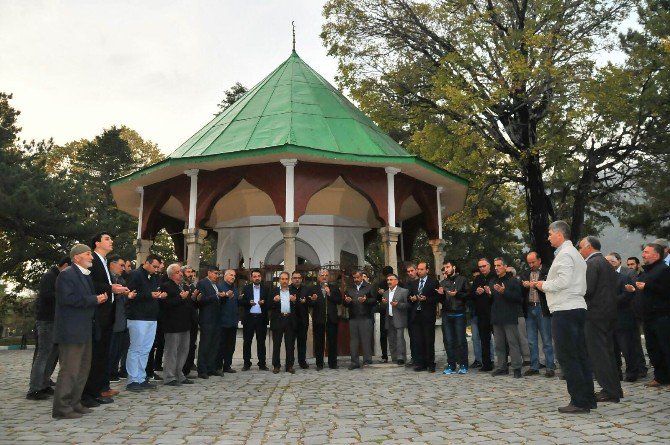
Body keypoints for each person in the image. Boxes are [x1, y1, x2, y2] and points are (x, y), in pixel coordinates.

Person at [535, 221, 595, 414]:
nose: (548, 237)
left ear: (560, 234)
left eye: (550, 233)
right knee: (579, 355)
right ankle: (587, 399)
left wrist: (543, 285)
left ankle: (579, 400)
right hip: (574, 308)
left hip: (566, 309)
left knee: (568, 356)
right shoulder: (572, 254)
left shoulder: (566, 254)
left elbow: (563, 281)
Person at [52, 244, 107, 419]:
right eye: (88, 254)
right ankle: (62, 407)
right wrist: (94, 299)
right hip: (71, 331)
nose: (91, 257)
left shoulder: (85, 276)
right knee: (70, 370)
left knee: (83, 369)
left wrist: (96, 300)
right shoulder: (66, 275)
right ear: (76, 257)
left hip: (84, 330)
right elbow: (67, 299)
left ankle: (75, 403)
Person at [82, 232, 130, 407]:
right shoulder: (93, 260)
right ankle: (88, 393)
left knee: (102, 355)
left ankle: (97, 390)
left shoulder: (102, 262)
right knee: (95, 356)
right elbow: (91, 284)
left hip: (107, 314)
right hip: (97, 314)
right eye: (107, 239)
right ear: (97, 243)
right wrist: (111, 288)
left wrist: (113, 289)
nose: (111, 241)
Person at [577, 236, 622, 403]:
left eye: (581, 247)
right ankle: (615, 388)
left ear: (589, 247)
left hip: (595, 314)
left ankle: (609, 391)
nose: (580, 251)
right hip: (608, 313)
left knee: (599, 354)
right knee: (608, 352)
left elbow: (587, 289)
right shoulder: (605, 263)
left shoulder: (592, 263)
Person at [27, 256, 71, 401]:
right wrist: (65, 294)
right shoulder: (50, 276)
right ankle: (34, 388)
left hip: (57, 320)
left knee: (52, 356)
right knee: (43, 355)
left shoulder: (58, 277)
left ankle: (44, 384)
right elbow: (46, 296)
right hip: (47, 321)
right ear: (65, 265)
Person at [125, 254, 165, 392]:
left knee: (146, 349)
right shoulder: (135, 275)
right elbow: (130, 294)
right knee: (136, 348)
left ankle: (141, 377)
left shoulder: (154, 276)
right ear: (146, 263)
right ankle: (132, 379)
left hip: (151, 317)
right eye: (154, 266)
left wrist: (158, 295)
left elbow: (153, 292)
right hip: (137, 317)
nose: (155, 269)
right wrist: (149, 295)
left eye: (157, 267)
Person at [633, 243, 670, 387]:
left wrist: (647, 286)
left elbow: (666, 291)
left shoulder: (665, 270)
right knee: (653, 349)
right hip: (648, 318)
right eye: (643, 252)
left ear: (656, 255)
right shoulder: (646, 272)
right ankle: (660, 377)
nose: (643, 255)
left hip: (662, 317)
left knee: (666, 348)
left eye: (647, 252)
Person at [606, 252, 647, 382]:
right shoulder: (601, 279)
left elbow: (628, 295)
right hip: (608, 320)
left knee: (627, 349)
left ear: (615, 263)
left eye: (609, 262)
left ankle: (632, 373)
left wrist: (610, 301)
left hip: (623, 319)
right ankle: (616, 373)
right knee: (613, 350)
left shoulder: (623, 278)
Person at [520, 251, 555, 377]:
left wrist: (538, 285)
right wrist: (523, 285)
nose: (531, 265)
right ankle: (534, 366)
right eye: (529, 262)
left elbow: (552, 287)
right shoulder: (525, 273)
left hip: (542, 307)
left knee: (546, 339)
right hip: (530, 307)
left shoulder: (547, 271)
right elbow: (520, 288)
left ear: (539, 260)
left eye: (533, 262)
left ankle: (550, 366)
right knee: (531, 340)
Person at [488, 258, 524, 378]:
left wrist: (504, 292)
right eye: (495, 266)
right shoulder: (492, 281)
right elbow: (492, 301)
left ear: (505, 266)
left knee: (513, 343)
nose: (496, 268)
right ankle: (502, 367)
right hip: (496, 317)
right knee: (499, 344)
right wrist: (488, 294)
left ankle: (517, 367)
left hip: (509, 316)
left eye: (499, 265)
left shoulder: (513, 281)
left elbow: (518, 298)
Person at [159, 264, 194, 386]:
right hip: (172, 324)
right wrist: (180, 297)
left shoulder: (183, 286)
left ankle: (179, 374)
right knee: (171, 351)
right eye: (178, 272)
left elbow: (188, 303)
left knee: (184, 350)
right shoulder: (166, 286)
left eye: (180, 271)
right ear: (172, 274)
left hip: (185, 323)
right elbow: (165, 304)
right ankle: (169, 376)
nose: (181, 273)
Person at [438, 261, 470, 375]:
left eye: (448, 267)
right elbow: (441, 301)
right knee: (448, 340)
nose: (446, 269)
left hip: (459, 313)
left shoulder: (462, 279)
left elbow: (468, 295)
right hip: (447, 314)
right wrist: (440, 295)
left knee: (461, 340)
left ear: (454, 267)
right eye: (445, 267)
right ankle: (451, 364)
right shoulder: (443, 282)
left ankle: (463, 365)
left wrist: (457, 294)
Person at [408, 262, 439, 372]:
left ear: (427, 270)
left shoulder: (433, 282)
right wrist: (412, 298)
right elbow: (409, 297)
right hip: (416, 314)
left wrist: (426, 299)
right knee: (418, 340)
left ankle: (430, 363)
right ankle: (420, 363)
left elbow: (437, 298)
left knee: (429, 340)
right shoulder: (414, 283)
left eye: (422, 269)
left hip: (428, 314)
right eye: (418, 269)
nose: (419, 271)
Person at [309, 269, 342, 370]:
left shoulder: (334, 288)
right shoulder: (313, 289)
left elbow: (339, 301)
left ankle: (333, 363)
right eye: (322, 275)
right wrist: (313, 300)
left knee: (332, 341)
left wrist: (329, 294)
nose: (324, 277)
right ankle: (319, 364)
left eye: (326, 275)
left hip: (331, 318)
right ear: (319, 277)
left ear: (329, 277)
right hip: (319, 318)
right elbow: (309, 304)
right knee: (319, 342)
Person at [344, 270, 376, 369]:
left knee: (366, 340)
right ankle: (354, 362)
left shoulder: (369, 287)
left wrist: (366, 300)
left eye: (358, 277)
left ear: (362, 277)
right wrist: (347, 301)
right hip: (353, 318)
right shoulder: (349, 289)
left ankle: (367, 360)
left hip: (366, 317)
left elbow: (375, 300)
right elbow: (344, 303)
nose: (356, 279)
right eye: (354, 278)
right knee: (354, 341)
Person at [195, 266, 223, 378]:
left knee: (214, 344)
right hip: (207, 319)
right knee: (205, 344)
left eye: (218, 274)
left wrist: (224, 296)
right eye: (216, 273)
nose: (217, 276)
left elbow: (218, 299)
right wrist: (215, 296)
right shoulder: (202, 283)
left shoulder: (216, 285)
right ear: (209, 273)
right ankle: (202, 369)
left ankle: (211, 367)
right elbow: (200, 300)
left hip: (216, 319)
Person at [240, 269, 270, 371]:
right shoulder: (246, 288)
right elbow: (241, 302)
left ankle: (262, 364)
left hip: (261, 318)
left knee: (261, 342)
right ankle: (246, 363)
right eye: (254, 276)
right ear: (251, 278)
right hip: (249, 319)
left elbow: (270, 303)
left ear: (261, 277)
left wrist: (264, 302)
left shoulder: (266, 288)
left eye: (258, 276)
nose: (257, 278)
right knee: (247, 341)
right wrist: (249, 302)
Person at [106, 255, 129, 386]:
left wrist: (127, 295)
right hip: (112, 319)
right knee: (111, 348)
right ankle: (109, 372)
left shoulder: (121, 279)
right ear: (112, 264)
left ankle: (114, 371)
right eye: (121, 265)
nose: (123, 268)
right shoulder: (108, 278)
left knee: (119, 348)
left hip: (122, 318)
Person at [270, 271, 297, 373]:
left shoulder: (293, 291)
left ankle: (289, 366)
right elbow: (268, 305)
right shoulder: (274, 291)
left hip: (290, 320)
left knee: (290, 345)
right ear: (279, 280)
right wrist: (274, 301)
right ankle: (276, 366)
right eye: (282, 279)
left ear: (289, 280)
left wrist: (294, 301)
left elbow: (299, 306)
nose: (284, 281)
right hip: (278, 320)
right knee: (277, 344)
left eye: (286, 279)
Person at [471, 259, 495, 371]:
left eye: (484, 266)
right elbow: (471, 295)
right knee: (484, 340)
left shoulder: (495, 276)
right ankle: (486, 364)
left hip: (495, 312)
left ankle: (503, 363)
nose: (482, 268)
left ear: (489, 266)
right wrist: (477, 292)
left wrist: (490, 292)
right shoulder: (478, 279)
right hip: (482, 314)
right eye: (480, 267)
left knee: (500, 340)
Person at [381, 273, 409, 365]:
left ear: (396, 281)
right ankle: (394, 357)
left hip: (399, 318)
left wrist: (398, 305)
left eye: (391, 280)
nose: (389, 281)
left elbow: (408, 305)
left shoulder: (403, 291)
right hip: (389, 318)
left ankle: (401, 357)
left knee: (400, 338)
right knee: (391, 339)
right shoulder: (385, 293)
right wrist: (384, 303)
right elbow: (383, 307)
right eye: (388, 280)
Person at [216, 269, 239, 373]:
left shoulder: (235, 288)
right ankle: (218, 366)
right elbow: (217, 302)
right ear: (225, 276)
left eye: (234, 275)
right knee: (221, 345)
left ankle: (227, 365)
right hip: (222, 322)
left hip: (233, 322)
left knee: (231, 346)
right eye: (231, 275)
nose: (233, 277)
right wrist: (225, 296)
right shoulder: (219, 287)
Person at [289, 271, 311, 369]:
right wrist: (291, 301)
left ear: (301, 279)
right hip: (290, 321)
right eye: (295, 278)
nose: (297, 279)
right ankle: (290, 362)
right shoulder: (287, 289)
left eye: (299, 277)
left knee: (302, 342)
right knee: (290, 343)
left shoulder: (306, 289)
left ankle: (302, 361)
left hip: (303, 320)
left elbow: (311, 303)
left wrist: (306, 302)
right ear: (291, 279)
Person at [181, 265, 199, 377]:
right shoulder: (181, 286)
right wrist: (191, 298)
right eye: (188, 272)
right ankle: (182, 369)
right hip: (184, 319)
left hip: (193, 319)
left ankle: (189, 366)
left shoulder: (192, 286)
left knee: (192, 344)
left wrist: (196, 298)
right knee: (184, 345)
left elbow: (194, 304)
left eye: (192, 272)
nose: (191, 274)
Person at [376, 266, 394, 363]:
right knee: (383, 334)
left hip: (395, 312)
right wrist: (380, 294)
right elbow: (378, 299)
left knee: (395, 334)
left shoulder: (397, 282)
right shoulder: (381, 284)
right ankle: (384, 355)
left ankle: (396, 355)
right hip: (384, 312)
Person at [402, 263, 418, 366]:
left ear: (416, 270)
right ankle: (414, 358)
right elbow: (405, 297)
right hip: (411, 314)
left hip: (422, 313)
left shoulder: (422, 282)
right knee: (413, 338)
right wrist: (410, 299)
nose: (410, 273)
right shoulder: (407, 284)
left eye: (412, 271)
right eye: (408, 272)